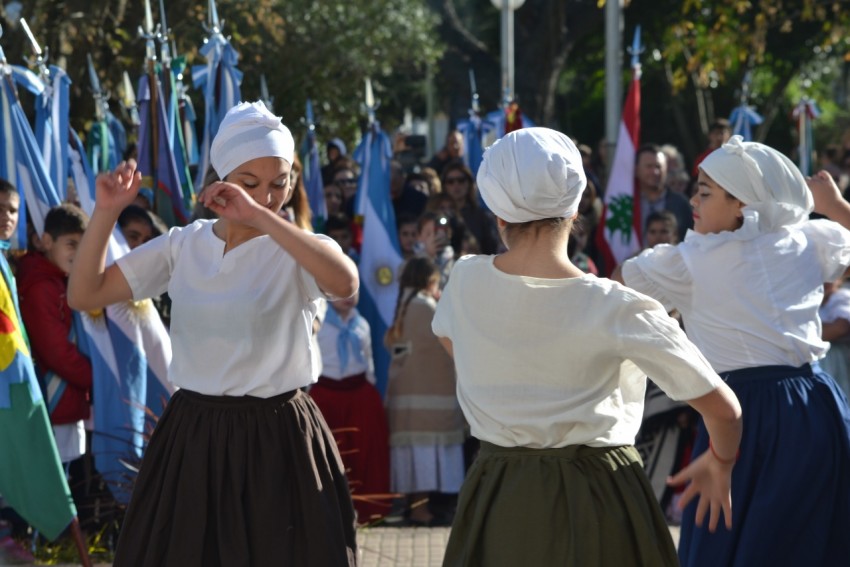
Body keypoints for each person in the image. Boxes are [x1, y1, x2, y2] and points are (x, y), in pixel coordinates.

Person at [67, 101, 359, 566]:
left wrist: (263, 217)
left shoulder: (299, 248)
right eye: (249, 184)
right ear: (221, 180)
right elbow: (85, 293)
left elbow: (345, 284)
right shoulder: (185, 245)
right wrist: (105, 213)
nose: (265, 196)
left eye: (279, 183)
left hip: (278, 436)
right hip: (196, 434)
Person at [433, 127, 742, 566]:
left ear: (497, 211)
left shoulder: (463, 281)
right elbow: (724, 410)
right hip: (600, 492)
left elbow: (452, 343)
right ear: (576, 208)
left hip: (500, 493)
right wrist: (721, 463)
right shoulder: (618, 306)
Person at [617, 137, 850, 566]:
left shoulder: (685, 260)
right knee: (807, 542)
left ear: (741, 203)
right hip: (809, 405)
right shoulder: (806, 238)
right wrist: (834, 206)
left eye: (705, 192)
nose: (693, 200)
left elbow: (617, 286)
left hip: (740, 413)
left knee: (731, 541)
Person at [385, 257, 465, 526]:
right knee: (424, 462)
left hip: (407, 397)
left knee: (417, 460)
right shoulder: (424, 306)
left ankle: (412, 506)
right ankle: (420, 509)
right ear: (429, 281)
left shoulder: (405, 305)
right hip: (430, 400)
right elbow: (450, 341)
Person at [18, 204, 92, 469]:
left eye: (83, 246)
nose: (78, 253)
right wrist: (97, 378)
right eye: (71, 244)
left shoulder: (58, 279)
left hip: (65, 402)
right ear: (46, 241)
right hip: (54, 401)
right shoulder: (40, 286)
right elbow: (56, 351)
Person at [310, 291, 390, 524]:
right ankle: (330, 512)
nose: (348, 297)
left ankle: (369, 510)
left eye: (352, 293)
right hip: (327, 395)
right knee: (330, 453)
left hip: (359, 394)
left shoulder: (361, 323)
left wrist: (371, 389)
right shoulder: (319, 324)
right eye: (342, 292)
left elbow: (369, 359)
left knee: (366, 451)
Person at [635, 144, 693, 243]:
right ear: (636, 169)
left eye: (658, 166)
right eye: (649, 166)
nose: (655, 172)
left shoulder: (681, 203)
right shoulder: (625, 204)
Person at [440, 160, 499, 254]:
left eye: (461, 180)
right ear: (444, 186)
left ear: (469, 183)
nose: (456, 185)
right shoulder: (437, 214)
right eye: (450, 181)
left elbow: (491, 249)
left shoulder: (482, 217)